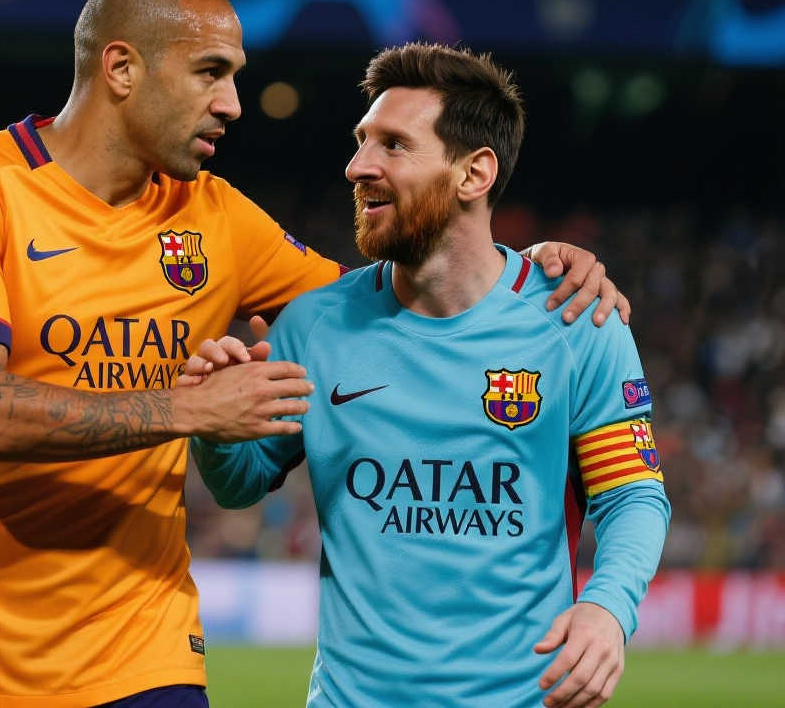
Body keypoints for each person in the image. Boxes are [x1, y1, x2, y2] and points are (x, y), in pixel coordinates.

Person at [0, 0, 630, 708]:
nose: (233, 104)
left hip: (145, 655)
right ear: (121, 68)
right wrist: (188, 409)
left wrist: (523, 271)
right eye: (210, 72)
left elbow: (402, 301)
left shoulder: (218, 219)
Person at [187, 44, 670, 708]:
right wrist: (214, 427)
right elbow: (240, 483)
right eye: (362, 141)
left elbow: (632, 494)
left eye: (393, 145)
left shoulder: (576, 322)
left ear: (474, 173)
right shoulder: (314, 325)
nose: (358, 166)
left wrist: (607, 607)